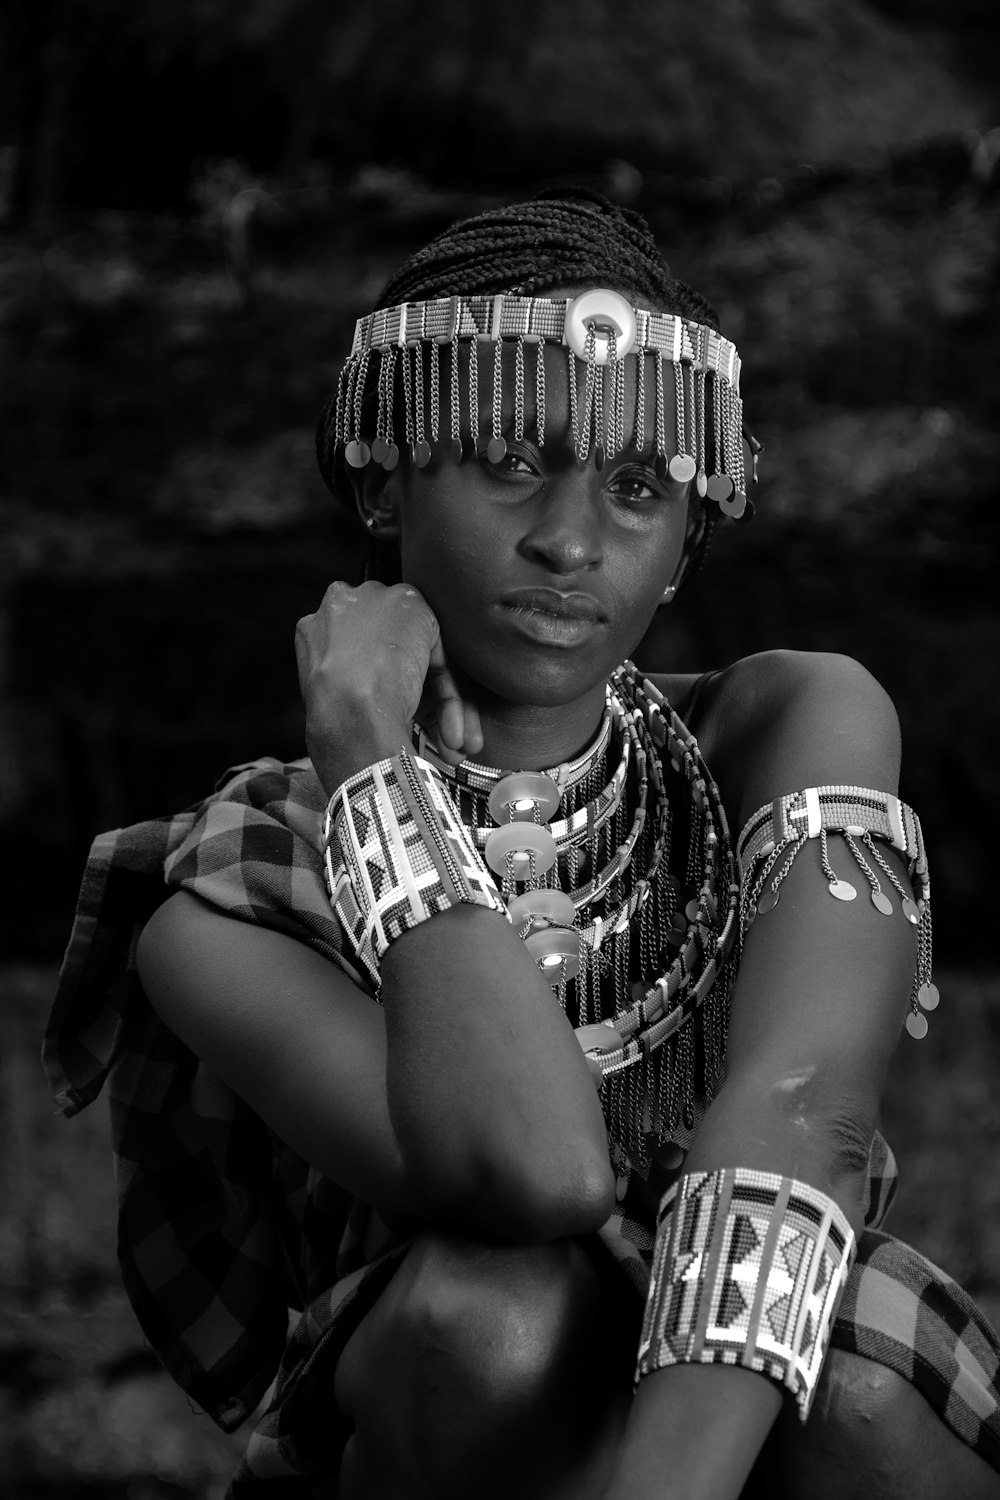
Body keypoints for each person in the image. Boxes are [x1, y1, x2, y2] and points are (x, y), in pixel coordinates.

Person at [44, 189, 1000, 1499]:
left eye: (637, 484)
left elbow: (808, 1115)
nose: (569, 537)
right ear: (384, 477)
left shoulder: (794, 724)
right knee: (485, 1320)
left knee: (861, 1383)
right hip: (454, 1419)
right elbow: (535, 1174)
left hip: (772, 1387)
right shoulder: (224, 897)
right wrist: (375, 769)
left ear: (689, 536)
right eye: (507, 457)